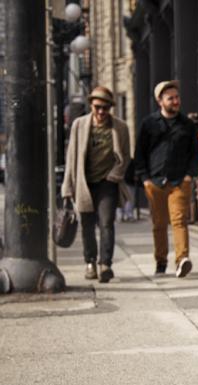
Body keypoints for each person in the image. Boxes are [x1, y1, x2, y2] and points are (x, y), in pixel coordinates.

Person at [61, 86, 131, 283]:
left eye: (106, 108)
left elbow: (125, 157)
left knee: (107, 223)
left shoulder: (120, 127)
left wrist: (114, 175)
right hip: (84, 183)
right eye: (98, 107)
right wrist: (67, 187)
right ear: (91, 105)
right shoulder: (79, 125)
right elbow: (72, 156)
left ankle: (105, 264)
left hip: (107, 183)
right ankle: (90, 262)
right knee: (87, 225)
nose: (101, 112)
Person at [134, 80, 198, 278]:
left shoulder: (187, 125)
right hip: (154, 182)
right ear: (160, 101)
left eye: (177, 97)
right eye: (170, 98)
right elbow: (140, 154)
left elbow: (195, 153)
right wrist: (145, 179)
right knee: (159, 224)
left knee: (180, 221)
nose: (175, 101)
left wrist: (189, 176)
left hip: (180, 181)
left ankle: (182, 260)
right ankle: (161, 262)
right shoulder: (148, 124)